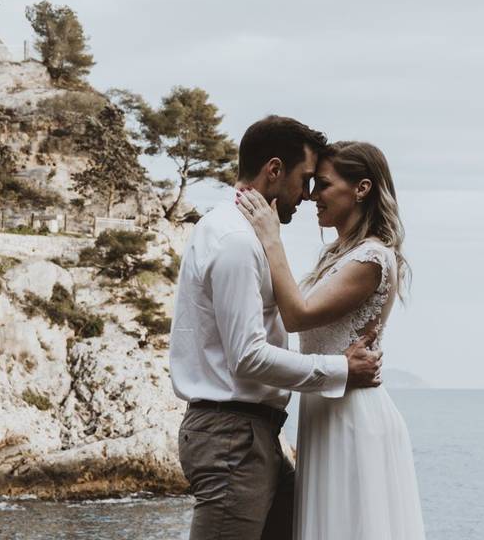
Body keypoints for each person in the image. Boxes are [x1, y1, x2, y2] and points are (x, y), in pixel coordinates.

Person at [169, 117, 384, 540]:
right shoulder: (235, 241)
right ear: (274, 171)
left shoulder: (235, 232)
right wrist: (341, 369)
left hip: (253, 435)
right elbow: (247, 356)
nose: (307, 196)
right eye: (304, 180)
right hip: (233, 440)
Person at [236, 140, 427, 540]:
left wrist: (272, 238)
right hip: (324, 415)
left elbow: (297, 315)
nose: (310, 197)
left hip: (354, 420)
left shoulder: (371, 258)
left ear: (361, 188)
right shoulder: (341, 254)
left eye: (322, 185)